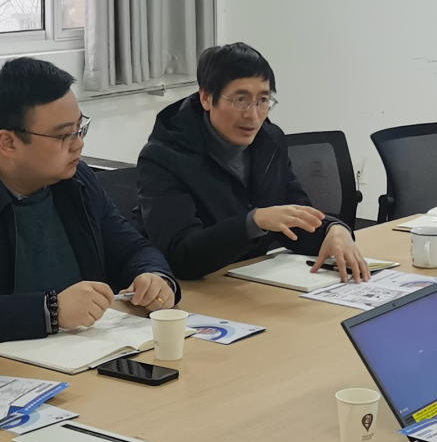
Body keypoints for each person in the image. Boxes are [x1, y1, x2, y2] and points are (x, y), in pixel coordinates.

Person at [0, 57, 179, 348]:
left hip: (83, 350)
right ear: (8, 143)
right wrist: (50, 310)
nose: (79, 143)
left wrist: (154, 276)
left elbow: (132, 249)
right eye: (64, 135)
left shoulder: (76, 180)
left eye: (80, 128)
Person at [136, 42, 370, 283]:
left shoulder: (271, 141)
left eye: (263, 100)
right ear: (206, 98)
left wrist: (334, 229)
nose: (253, 115)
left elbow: (294, 218)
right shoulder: (163, 157)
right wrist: (253, 222)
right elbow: (180, 257)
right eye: (240, 99)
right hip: (190, 290)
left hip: (248, 280)